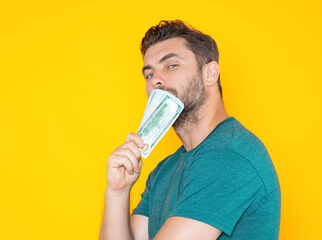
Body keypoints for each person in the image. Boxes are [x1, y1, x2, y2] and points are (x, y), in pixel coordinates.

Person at [100, 20, 281, 240]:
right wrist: (117, 192)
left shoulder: (229, 157)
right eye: (149, 74)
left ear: (210, 73)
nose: (155, 79)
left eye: (171, 66)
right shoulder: (164, 170)